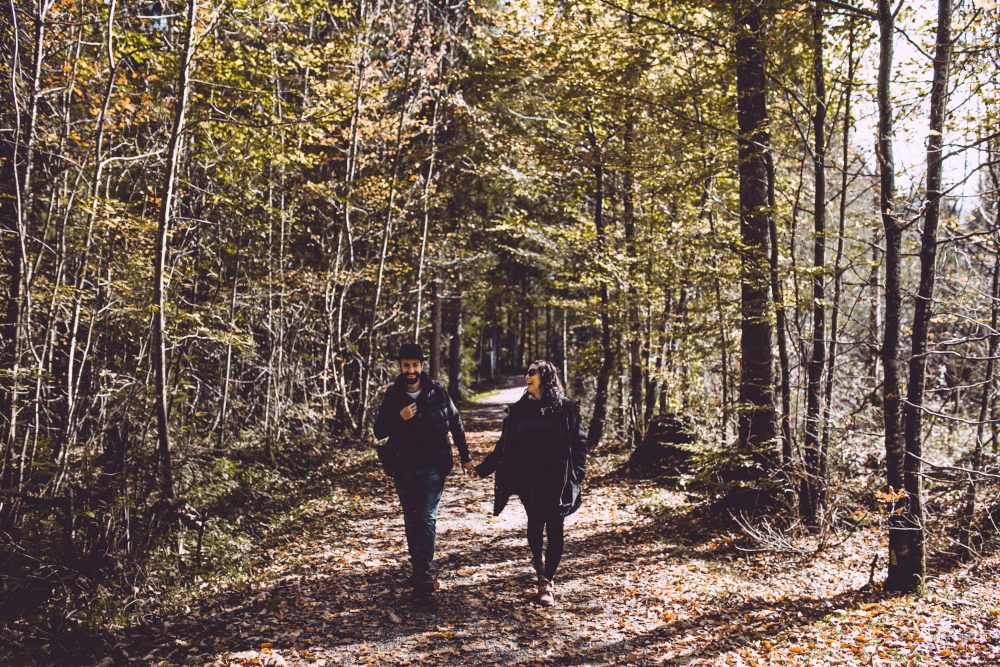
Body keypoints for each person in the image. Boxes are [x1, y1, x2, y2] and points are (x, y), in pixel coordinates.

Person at [473, 360, 587, 606]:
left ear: (545, 377)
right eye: (527, 372)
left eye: (533, 372)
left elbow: (579, 446)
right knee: (535, 526)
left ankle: (547, 582)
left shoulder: (566, 409)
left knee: (555, 528)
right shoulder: (519, 410)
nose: (528, 375)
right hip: (529, 480)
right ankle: (539, 564)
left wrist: (578, 474)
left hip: (557, 479)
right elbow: (504, 446)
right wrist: (483, 469)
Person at [373, 343, 476, 595]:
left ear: (422, 366)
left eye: (415, 365)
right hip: (404, 465)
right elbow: (379, 430)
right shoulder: (393, 394)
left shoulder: (437, 391)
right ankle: (418, 567)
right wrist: (400, 417)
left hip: (433, 464)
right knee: (412, 518)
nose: (411, 370)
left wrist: (466, 457)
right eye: (406, 365)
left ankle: (422, 570)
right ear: (401, 366)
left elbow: (455, 422)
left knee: (427, 517)